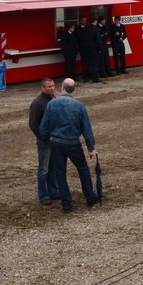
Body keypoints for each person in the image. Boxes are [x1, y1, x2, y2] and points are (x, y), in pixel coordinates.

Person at [39, 78, 99, 213]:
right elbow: (86, 128)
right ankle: (89, 197)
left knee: (60, 173)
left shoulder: (52, 104)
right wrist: (91, 148)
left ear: (62, 88)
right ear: (73, 90)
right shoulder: (79, 105)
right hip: (73, 143)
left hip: (56, 143)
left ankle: (66, 204)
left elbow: (43, 127)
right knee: (83, 169)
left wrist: (48, 138)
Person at [29, 77, 59, 203]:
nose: (51, 88)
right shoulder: (38, 103)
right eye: (48, 86)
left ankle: (53, 191)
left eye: (53, 86)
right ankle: (43, 194)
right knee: (44, 169)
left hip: (54, 139)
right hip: (45, 141)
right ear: (42, 88)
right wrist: (42, 137)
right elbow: (33, 123)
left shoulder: (54, 99)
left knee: (53, 167)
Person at [75, 18, 99, 83]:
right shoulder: (93, 29)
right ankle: (88, 77)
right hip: (86, 49)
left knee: (87, 64)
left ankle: (88, 76)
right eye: (83, 20)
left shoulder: (87, 28)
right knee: (88, 64)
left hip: (87, 49)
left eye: (85, 20)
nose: (85, 22)